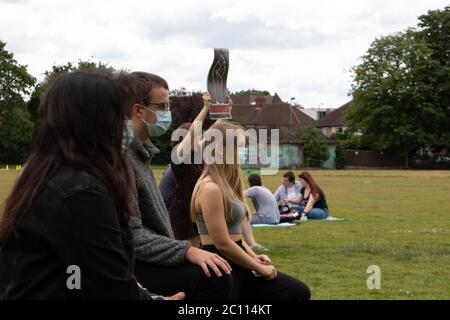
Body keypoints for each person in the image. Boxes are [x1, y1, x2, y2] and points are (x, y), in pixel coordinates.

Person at [0, 72, 179, 300]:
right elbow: (110, 287)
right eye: (118, 113)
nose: (124, 123)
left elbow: (86, 270)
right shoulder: (82, 191)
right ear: (99, 119)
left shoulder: (45, 170)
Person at [116, 71, 233, 300]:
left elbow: (211, 134)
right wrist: (205, 109)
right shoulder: (173, 154)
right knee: (210, 273)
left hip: (171, 229)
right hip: (175, 218)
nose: (167, 113)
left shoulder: (141, 154)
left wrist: (221, 112)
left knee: (209, 263)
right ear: (139, 109)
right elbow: (131, 234)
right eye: (162, 107)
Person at [191, 120, 311, 300]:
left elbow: (235, 237)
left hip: (238, 260)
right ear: (222, 149)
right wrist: (259, 268)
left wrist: (255, 257)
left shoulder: (227, 185)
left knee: (298, 291)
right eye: (239, 147)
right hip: (222, 267)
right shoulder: (211, 188)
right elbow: (222, 243)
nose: (242, 153)